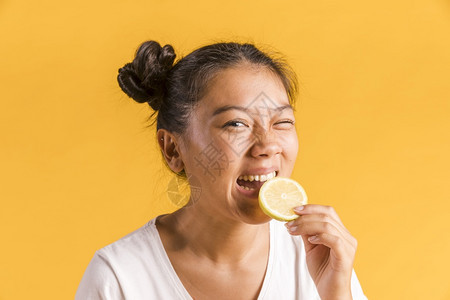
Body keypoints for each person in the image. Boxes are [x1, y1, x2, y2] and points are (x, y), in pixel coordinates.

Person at [75, 40, 367, 300]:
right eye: (236, 124)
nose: (267, 145)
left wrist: (337, 294)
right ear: (173, 149)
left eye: (282, 123)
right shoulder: (119, 278)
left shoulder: (318, 261)